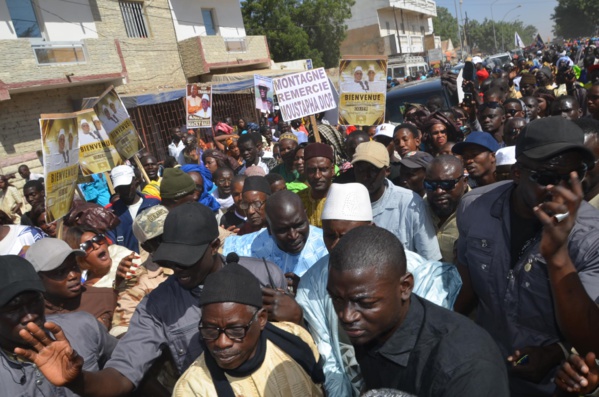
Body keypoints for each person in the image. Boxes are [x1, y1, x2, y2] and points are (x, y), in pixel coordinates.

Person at [454, 116, 599, 396]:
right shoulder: (475, 208)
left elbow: (592, 341)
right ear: (518, 173)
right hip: (488, 365)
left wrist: (557, 256)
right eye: (547, 178)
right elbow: (465, 287)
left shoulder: (591, 236)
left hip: (551, 381)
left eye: (573, 177)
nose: (562, 190)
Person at [296, 183, 461, 396]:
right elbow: (330, 361)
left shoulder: (420, 273)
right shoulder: (313, 283)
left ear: (371, 228)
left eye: (346, 235)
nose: (337, 245)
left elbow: (428, 351)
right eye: (330, 235)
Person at [327, 226, 509, 396]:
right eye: (336, 299)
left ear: (405, 287)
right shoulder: (370, 330)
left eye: (365, 302)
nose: (346, 315)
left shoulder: (466, 367)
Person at [173, 263, 324, 396]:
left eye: (235, 330)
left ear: (262, 319)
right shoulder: (191, 389)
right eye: (211, 330)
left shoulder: (295, 339)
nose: (222, 343)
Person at [2, 255, 117, 397]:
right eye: (14, 309)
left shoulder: (83, 327)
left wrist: (81, 381)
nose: (30, 316)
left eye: (34, 301)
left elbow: (128, 371)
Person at [352, 141, 441, 261]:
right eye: (360, 169)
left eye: (373, 170)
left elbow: (430, 258)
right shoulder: (346, 202)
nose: (365, 176)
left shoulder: (410, 202)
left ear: (387, 171)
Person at [224, 190, 328, 277]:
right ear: (269, 229)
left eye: (299, 225)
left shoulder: (326, 246)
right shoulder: (249, 247)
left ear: (305, 217)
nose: (293, 235)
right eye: (283, 230)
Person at [26, 238, 117, 331]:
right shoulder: (30, 315)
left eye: (74, 266)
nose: (73, 275)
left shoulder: (106, 298)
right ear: (38, 278)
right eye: (60, 272)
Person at [111, 205, 173, 337]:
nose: (170, 239)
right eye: (160, 238)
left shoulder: (202, 252)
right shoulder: (138, 282)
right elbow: (122, 329)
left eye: (173, 230)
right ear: (147, 246)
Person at [424, 155, 468, 264]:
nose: (439, 191)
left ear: (465, 182)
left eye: (447, 184)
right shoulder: (418, 208)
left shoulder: (479, 211)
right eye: (431, 185)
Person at [107, 165, 160, 253]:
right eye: (120, 188)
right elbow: (111, 246)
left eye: (127, 186)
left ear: (135, 181)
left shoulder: (154, 203)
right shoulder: (110, 213)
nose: (124, 191)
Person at [297, 143, 335, 227]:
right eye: (311, 170)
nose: (317, 176)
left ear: (332, 170)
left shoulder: (343, 199)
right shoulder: (297, 201)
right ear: (305, 171)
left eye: (323, 169)